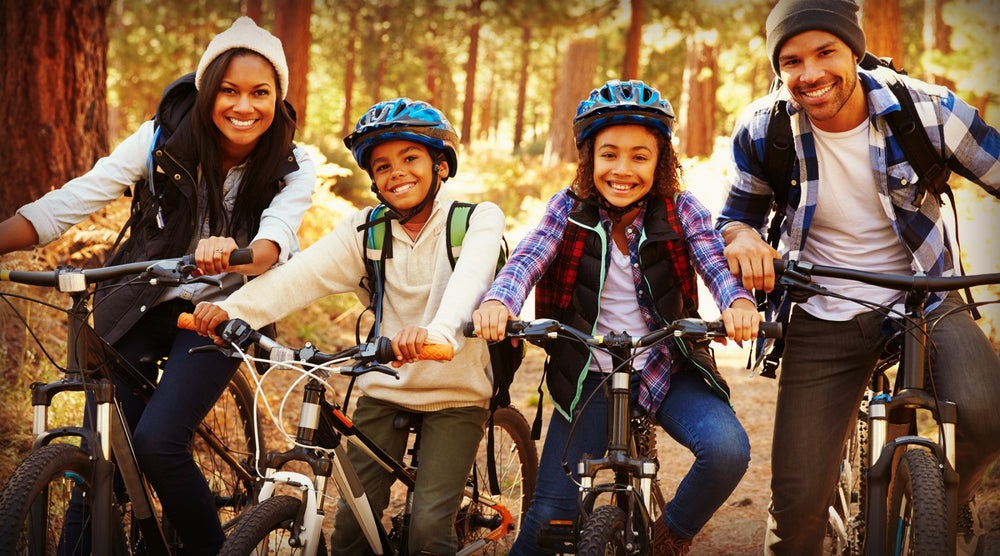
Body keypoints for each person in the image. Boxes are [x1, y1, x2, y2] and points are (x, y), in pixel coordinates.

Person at [0, 16, 316, 554]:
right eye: (229, 91)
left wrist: (233, 253)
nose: (244, 106)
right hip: (141, 300)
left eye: (260, 93)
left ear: (278, 97)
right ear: (206, 92)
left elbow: (274, 242)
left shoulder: (293, 162)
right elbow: (76, 198)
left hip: (221, 311)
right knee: (104, 455)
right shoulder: (161, 139)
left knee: (158, 442)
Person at [715, 1, 1000, 554]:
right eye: (792, 61)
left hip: (925, 294)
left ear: (854, 51)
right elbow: (735, 218)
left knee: (988, 414)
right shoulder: (763, 128)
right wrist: (743, 238)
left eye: (826, 52)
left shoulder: (928, 109)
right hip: (823, 304)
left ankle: (931, 504)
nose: (811, 74)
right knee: (797, 512)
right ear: (779, 68)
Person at [192, 97, 506, 555]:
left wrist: (438, 333)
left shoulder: (477, 219)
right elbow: (302, 275)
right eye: (381, 166)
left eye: (410, 158)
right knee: (351, 530)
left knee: (427, 533)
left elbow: (471, 282)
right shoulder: (366, 230)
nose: (395, 172)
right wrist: (234, 311)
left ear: (441, 165)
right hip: (385, 386)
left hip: (455, 394)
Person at [472, 79, 762, 556]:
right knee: (548, 518)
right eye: (609, 154)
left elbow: (713, 262)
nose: (622, 169)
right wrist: (499, 301)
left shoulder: (681, 208)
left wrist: (738, 304)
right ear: (589, 159)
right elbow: (528, 257)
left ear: (661, 160)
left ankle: (672, 535)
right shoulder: (568, 208)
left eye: (639, 156)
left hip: (667, 365)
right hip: (588, 373)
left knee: (727, 450)